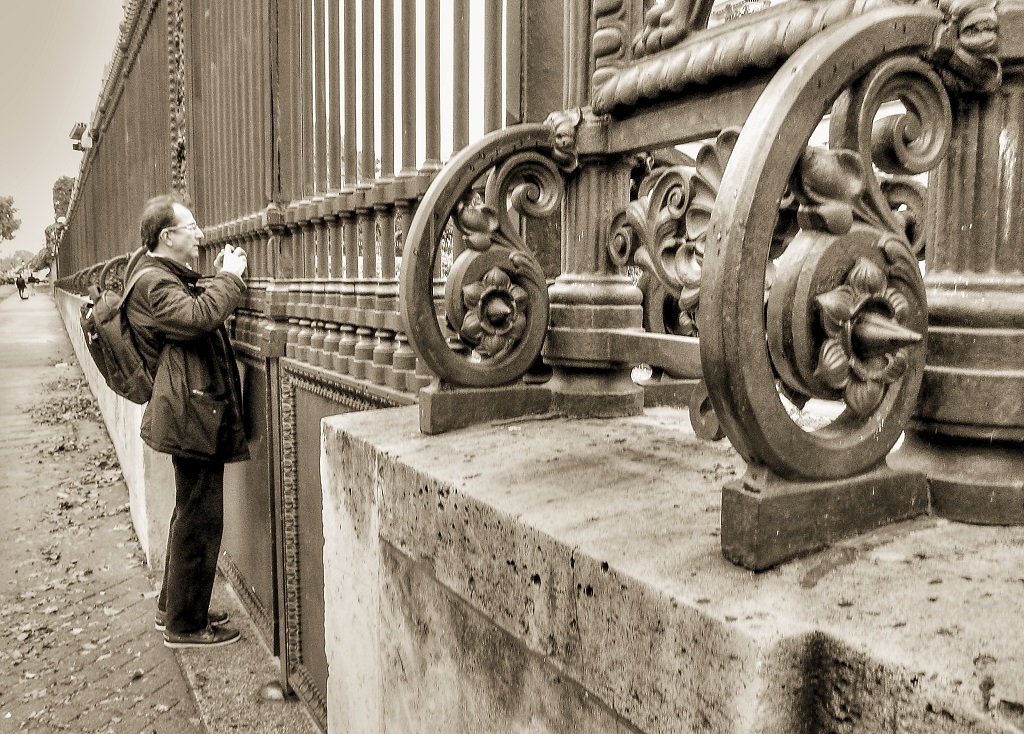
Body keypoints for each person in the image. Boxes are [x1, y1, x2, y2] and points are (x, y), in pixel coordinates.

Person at [123, 193, 249, 648]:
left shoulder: (158, 277)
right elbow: (198, 318)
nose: (199, 234)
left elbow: (194, 308)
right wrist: (230, 279)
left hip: (188, 411)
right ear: (166, 236)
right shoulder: (152, 284)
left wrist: (217, 279)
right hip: (188, 415)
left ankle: (174, 608)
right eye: (190, 227)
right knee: (199, 518)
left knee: (190, 514)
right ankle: (186, 625)